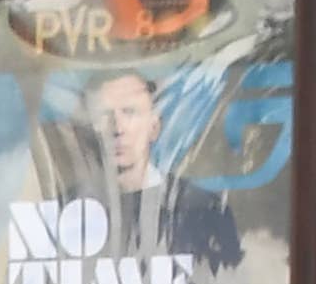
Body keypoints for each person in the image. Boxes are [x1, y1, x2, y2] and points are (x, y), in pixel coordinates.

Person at [83, 69, 242, 272]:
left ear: (154, 128)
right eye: (104, 115)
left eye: (130, 112)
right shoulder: (66, 212)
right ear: (88, 130)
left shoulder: (205, 212)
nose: (118, 128)